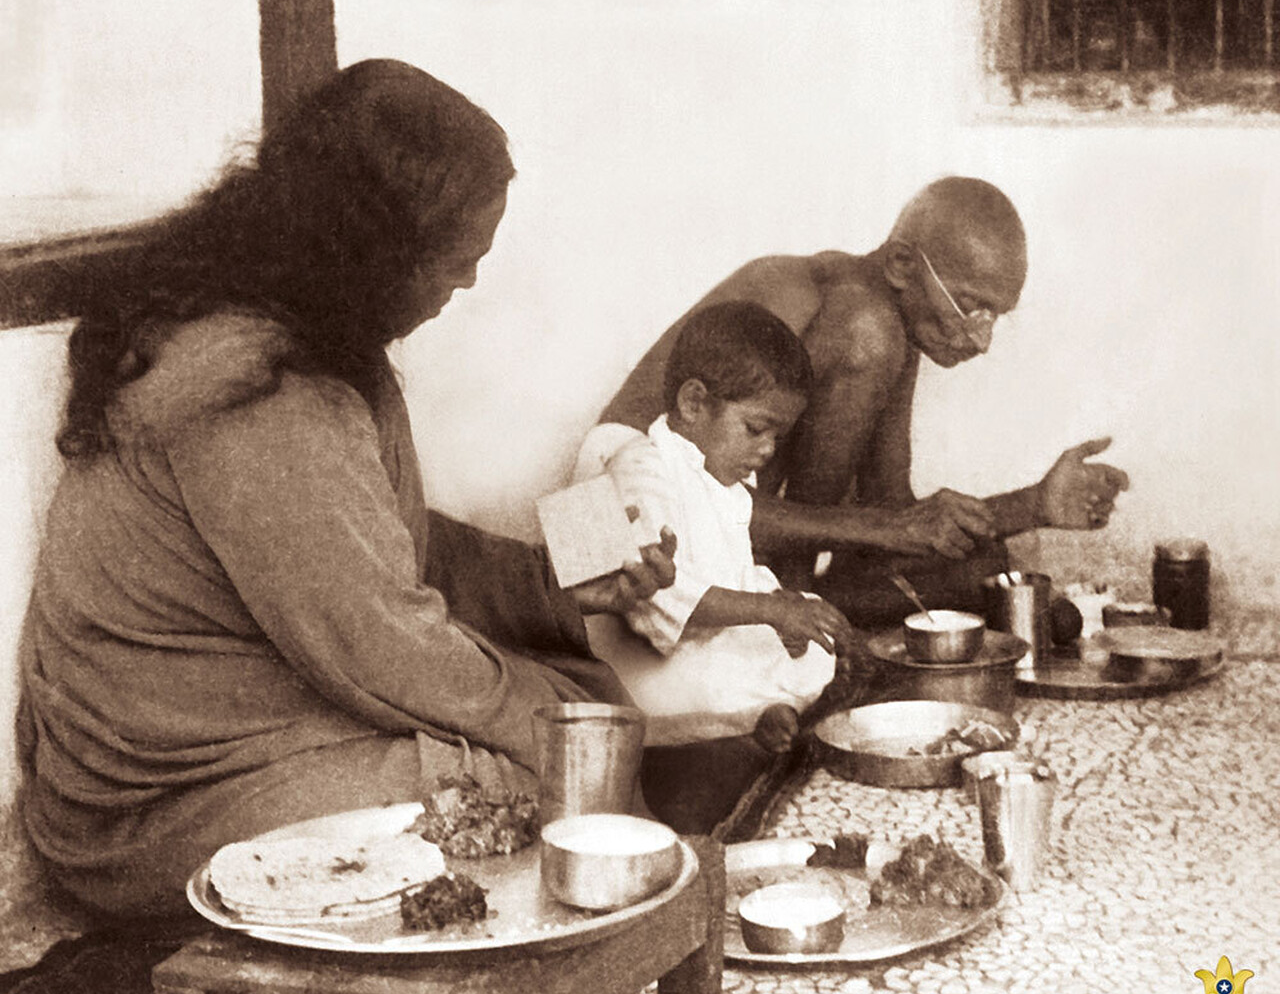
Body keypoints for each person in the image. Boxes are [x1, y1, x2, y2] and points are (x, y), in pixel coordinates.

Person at [15, 58, 676, 919]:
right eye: (455, 259)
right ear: (372, 251)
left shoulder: (299, 331)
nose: (468, 281)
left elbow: (377, 546)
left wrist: (566, 574)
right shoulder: (254, 390)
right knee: (551, 769)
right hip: (154, 800)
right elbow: (381, 642)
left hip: (263, 722)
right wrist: (558, 723)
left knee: (577, 712)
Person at [597, 176, 1130, 627]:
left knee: (983, 567)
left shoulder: (894, 328)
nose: (981, 339)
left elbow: (892, 516)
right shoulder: (849, 317)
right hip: (629, 517)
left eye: (996, 316)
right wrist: (884, 531)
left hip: (727, 544)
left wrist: (1032, 505)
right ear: (902, 264)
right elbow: (705, 500)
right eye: (970, 307)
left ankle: (798, 608)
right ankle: (792, 610)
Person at [574, 301, 856, 755]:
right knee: (716, 675)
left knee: (810, 628)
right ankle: (758, 717)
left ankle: (767, 713)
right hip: (640, 663)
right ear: (694, 402)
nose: (767, 450)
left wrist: (785, 612)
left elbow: (738, 578)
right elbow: (657, 604)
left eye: (777, 438)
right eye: (756, 429)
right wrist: (770, 611)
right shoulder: (639, 467)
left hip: (705, 641)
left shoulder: (722, 481)